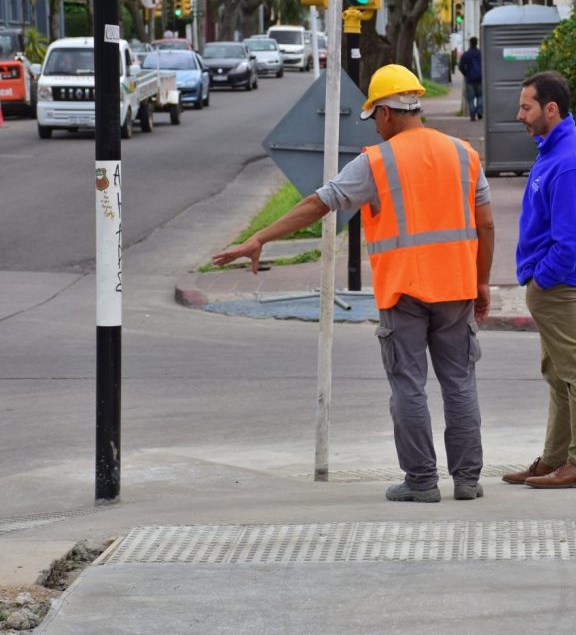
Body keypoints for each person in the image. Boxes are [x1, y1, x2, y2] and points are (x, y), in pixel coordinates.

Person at [212, 64, 495, 504]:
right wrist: (482, 282)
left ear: (386, 112)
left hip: (403, 292)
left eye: (374, 118)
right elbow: (486, 225)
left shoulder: (377, 162)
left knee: (408, 386)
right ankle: (467, 480)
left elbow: (318, 204)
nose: (375, 128)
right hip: (457, 287)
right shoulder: (464, 154)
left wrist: (260, 238)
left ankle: (422, 482)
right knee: (459, 383)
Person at [502, 70, 576, 490]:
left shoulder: (570, 162)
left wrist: (543, 280)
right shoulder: (558, 148)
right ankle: (555, 459)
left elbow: (573, 239)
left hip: (560, 285)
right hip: (552, 286)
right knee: (559, 375)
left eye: (525, 107)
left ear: (551, 109)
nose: (519, 115)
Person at [457, 37, 483, 121]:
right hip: (480, 79)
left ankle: (472, 115)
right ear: (476, 43)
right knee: (480, 96)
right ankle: (479, 110)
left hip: (470, 79)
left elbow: (461, 66)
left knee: (470, 98)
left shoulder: (466, 54)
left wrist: (466, 74)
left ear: (470, 43)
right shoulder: (480, 53)